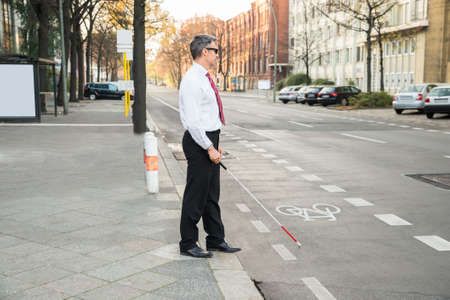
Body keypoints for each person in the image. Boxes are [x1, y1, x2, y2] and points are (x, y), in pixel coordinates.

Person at [178, 34, 241, 258]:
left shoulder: (205, 77)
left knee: (211, 194)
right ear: (204, 52)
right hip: (198, 142)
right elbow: (193, 122)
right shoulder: (192, 80)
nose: (217, 53)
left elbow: (208, 115)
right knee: (196, 195)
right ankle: (187, 243)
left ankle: (215, 239)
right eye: (215, 50)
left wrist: (216, 143)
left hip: (209, 138)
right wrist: (208, 147)